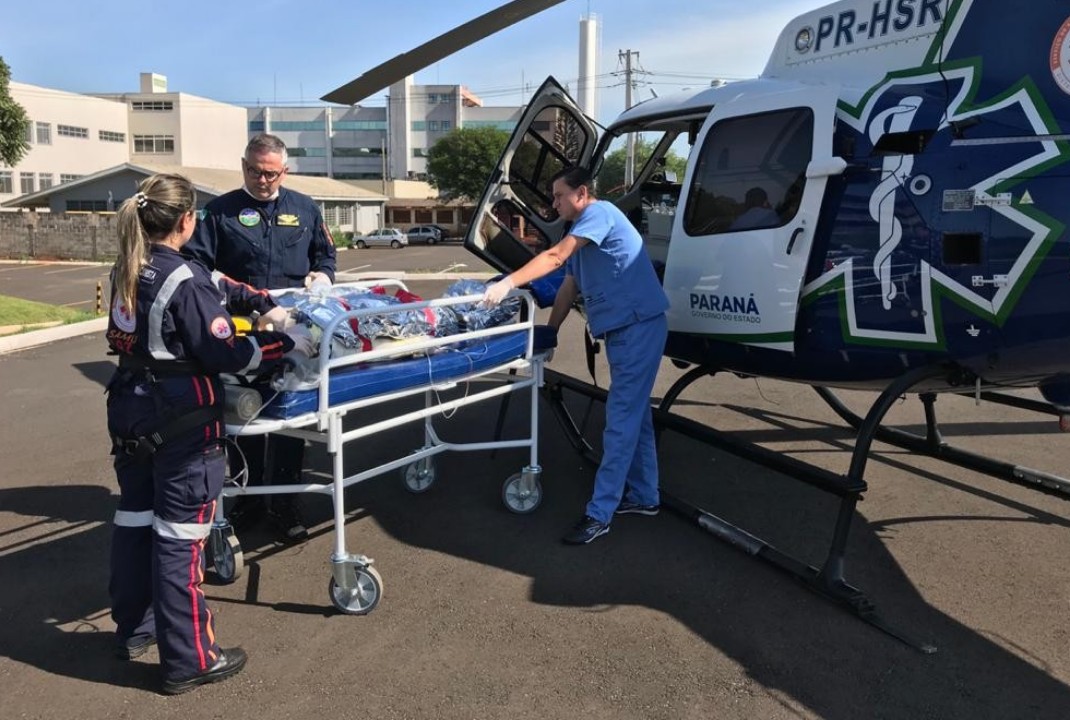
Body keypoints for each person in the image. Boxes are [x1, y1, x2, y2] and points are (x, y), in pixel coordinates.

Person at [105, 173, 312, 693]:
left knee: (136, 520)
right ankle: (190, 659)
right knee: (180, 538)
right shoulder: (184, 280)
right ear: (187, 221)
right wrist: (286, 343)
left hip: (131, 406)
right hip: (179, 416)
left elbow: (216, 284)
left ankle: (136, 628)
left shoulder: (131, 264)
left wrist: (259, 299)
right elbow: (227, 352)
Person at [482, 167, 670, 545]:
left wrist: (508, 282)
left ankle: (599, 513)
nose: (553, 203)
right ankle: (646, 496)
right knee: (635, 418)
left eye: (558, 195)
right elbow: (569, 284)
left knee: (619, 421)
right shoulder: (582, 229)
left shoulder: (598, 214)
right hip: (626, 329)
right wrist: (550, 332)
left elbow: (554, 258)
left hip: (637, 326)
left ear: (582, 193)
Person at [184, 133, 337, 541]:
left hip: (293, 330)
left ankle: (285, 502)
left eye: (270, 173)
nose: (262, 180)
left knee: (290, 414)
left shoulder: (305, 209)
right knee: (243, 416)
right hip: (241, 330)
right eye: (254, 171)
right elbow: (197, 266)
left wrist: (323, 274)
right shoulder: (219, 212)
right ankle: (247, 498)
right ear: (243, 166)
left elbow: (326, 255)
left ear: (284, 171)